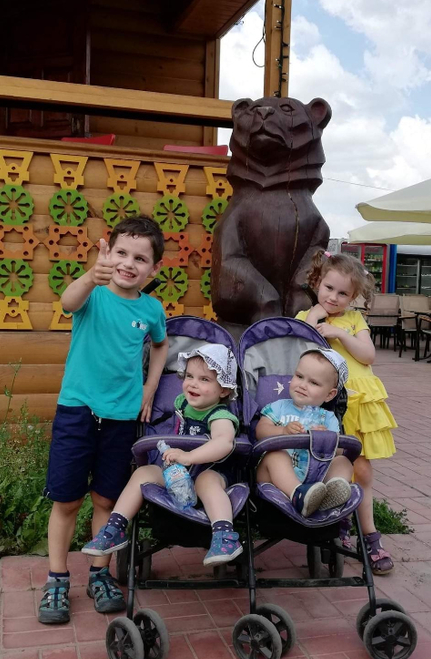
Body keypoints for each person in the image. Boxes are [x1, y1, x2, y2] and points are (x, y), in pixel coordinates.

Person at [38, 217, 168, 624]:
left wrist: (150, 388)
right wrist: (90, 276)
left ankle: (100, 574)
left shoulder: (151, 309)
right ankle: (57, 579)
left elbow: (161, 346)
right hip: (77, 412)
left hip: (122, 418)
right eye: (122, 253)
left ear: (154, 268)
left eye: (140, 259)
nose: (129, 264)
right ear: (108, 253)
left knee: (106, 501)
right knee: (67, 500)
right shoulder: (92, 293)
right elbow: (67, 302)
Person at [82, 343, 244, 567]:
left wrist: (189, 457)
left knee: (206, 481)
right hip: (178, 475)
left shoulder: (220, 416)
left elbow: (224, 442)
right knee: (143, 473)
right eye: (189, 376)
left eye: (204, 379)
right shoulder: (181, 404)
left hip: (211, 472)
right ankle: (115, 528)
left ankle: (225, 536)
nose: (193, 383)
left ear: (224, 390)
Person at [296, 250, 397, 574]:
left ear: (353, 297)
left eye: (343, 293)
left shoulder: (354, 321)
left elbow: (368, 355)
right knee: (333, 466)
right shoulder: (306, 316)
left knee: (362, 470)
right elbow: (301, 350)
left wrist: (341, 333)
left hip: (356, 403)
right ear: (317, 283)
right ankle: (338, 525)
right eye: (328, 288)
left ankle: (370, 535)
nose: (333, 297)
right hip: (325, 407)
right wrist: (314, 319)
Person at [256, 348, 354, 517]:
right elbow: (260, 431)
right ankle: (298, 495)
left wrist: (325, 439)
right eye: (299, 376)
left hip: (317, 478)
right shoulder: (278, 407)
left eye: (313, 383)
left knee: (343, 461)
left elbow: (338, 451)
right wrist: (283, 431)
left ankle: (333, 489)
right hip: (276, 477)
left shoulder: (328, 418)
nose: (302, 385)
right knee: (276, 455)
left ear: (330, 394)